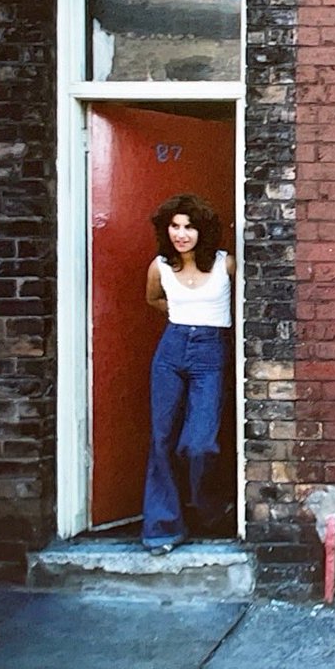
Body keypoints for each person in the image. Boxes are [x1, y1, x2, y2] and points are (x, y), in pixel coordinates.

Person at [142, 193, 235, 555]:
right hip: (172, 347)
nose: (182, 234)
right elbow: (153, 299)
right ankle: (162, 528)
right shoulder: (160, 267)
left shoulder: (225, 265)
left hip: (211, 350)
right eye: (176, 227)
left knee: (199, 443)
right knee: (162, 438)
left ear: (203, 231)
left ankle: (210, 510)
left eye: (190, 227)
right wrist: (182, 320)